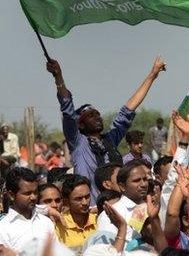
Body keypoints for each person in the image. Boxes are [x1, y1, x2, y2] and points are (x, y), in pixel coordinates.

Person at [46, 56, 166, 204]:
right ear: (80, 125)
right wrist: (59, 77)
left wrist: (152, 75)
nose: (97, 118)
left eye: (98, 114)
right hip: (90, 211)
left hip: (118, 210)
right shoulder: (78, 143)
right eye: (90, 116)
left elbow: (128, 110)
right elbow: (67, 109)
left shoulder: (110, 140)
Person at [0, 167, 55, 252]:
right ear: (11, 195)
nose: (33, 197)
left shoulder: (46, 222)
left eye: (35, 192)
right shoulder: (2, 230)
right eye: (27, 193)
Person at [96, 159, 149, 243]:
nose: (143, 184)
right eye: (136, 181)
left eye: (145, 179)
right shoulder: (109, 215)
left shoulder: (152, 208)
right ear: (122, 186)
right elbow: (107, 250)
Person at [57, 175, 96, 250]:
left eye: (87, 197)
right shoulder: (59, 226)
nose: (85, 202)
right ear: (66, 201)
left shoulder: (98, 220)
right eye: (79, 199)